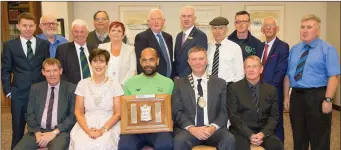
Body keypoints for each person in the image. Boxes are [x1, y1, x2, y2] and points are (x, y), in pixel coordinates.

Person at [283, 14, 340, 150]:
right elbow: (288, 75)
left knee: (319, 136)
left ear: (318, 31)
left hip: (317, 96)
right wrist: (286, 96)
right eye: (302, 27)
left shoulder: (327, 49)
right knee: (298, 135)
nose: (304, 30)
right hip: (296, 96)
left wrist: (328, 99)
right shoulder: (295, 49)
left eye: (309, 27)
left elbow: (334, 77)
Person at [1, 12, 50, 149]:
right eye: (24, 26)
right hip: (19, 95)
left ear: (35, 27)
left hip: (40, 94)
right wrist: (8, 92)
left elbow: (47, 67)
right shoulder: (10, 45)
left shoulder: (43, 44)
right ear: (18, 26)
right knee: (17, 131)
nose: (28, 29)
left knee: (40, 130)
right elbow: (5, 70)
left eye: (31, 26)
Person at [172, 46, 236, 150]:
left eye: (201, 59)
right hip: (189, 130)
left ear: (206, 60)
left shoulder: (220, 83)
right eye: (194, 59)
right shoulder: (179, 84)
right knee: (179, 141)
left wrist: (212, 128)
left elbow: (224, 111)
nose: (198, 62)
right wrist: (192, 128)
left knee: (229, 139)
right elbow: (177, 112)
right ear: (188, 62)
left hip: (213, 130)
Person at [14, 58, 76, 150]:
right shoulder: (36, 88)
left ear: (60, 71)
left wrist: (54, 132)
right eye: (48, 71)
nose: (51, 74)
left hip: (60, 132)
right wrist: (37, 133)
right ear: (43, 72)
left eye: (55, 70)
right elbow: (29, 114)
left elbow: (72, 116)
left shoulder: (71, 88)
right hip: (38, 131)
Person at [118, 48, 174, 150]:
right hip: (135, 130)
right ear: (140, 62)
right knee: (125, 146)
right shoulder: (129, 83)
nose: (148, 64)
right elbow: (125, 111)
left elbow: (171, 110)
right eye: (144, 60)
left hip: (159, 130)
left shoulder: (169, 83)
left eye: (151, 60)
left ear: (157, 61)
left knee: (165, 145)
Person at [69, 48, 123, 150]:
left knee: (103, 144)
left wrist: (102, 130)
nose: (98, 65)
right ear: (90, 64)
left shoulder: (115, 85)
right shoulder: (82, 84)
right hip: (86, 122)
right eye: (95, 61)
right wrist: (87, 130)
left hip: (109, 123)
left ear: (107, 64)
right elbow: (78, 112)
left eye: (102, 61)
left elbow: (117, 113)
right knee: (81, 144)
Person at [228, 55, 284, 150]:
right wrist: (249, 134)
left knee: (277, 146)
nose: (251, 69)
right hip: (241, 131)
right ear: (244, 69)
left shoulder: (270, 90)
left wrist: (263, 133)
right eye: (248, 67)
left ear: (261, 69)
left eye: (254, 66)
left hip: (263, 131)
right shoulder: (234, 88)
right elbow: (233, 116)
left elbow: (274, 117)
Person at [260, 16, 289, 142]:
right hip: (258, 91)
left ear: (277, 28)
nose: (268, 28)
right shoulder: (259, 46)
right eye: (266, 26)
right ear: (262, 29)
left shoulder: (282, 46)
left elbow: (281, 71)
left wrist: (268, 90)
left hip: (274, 91)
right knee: (261, 121)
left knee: (276, 122)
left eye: (271, 25)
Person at [134, 8, 173, 78]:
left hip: (169, 81)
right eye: (153, 19)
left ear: (163, 21)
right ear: (148, 22)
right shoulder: (141, 37)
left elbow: (169, 61)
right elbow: (140, 64)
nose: (156, 22)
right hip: (152, 80)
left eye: (159, 19)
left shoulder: (168, 37)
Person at [55, 19, 96, 84]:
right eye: (76, 32)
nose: (79, 35)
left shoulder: (95, 49)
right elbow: (60, 73)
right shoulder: (62, 50)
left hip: (95, 88)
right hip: (73, 90)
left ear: (87, 33)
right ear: (72, 33)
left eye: (82, 32)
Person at [207, 16, 244, 86]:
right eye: (214, 28)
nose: (217, 31)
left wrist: (234, 90)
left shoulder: (235, 48)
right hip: (210, 87)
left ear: (226, 29)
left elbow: (240, 74)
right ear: (211, 30)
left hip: (227, 87)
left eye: (221, 28)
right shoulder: (208, 47)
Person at [173, 5, 208, 78]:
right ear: (180, 18)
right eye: (184, 16)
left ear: (194, 19)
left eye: (189, 16)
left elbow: (198, 62)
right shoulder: (179, 36)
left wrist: (182, 77)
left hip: (191, 78)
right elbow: (177, 59)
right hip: (178, 79)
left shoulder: (200, 36)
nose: (186, 19)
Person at [98, 21, 136, 85]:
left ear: (123, 35)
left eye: (119, 31)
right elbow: (97, 67)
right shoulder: (101, 47)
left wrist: (122, 85)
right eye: (113, 30)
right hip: (103, 86)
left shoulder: (130, 49)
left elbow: (132, 70)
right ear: (109, 34)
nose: (116, 33)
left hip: (123, 88)